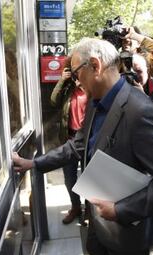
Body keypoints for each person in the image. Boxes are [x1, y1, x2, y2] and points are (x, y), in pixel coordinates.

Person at [13, 38, 153, 255]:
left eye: (76, 73)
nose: (75, 80)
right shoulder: (96, 102)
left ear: (95, 65)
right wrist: (33, 163)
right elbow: (77, 145)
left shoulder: (140, 112)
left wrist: (120, 211)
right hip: (99, 220)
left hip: (127, 232)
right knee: (95, 250)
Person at [50, 57, 88, 224]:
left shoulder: (93, 88)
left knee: (90, 178)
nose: (76, 74)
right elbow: (53, 101)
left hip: (88, 140)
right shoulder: (67, 89)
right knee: (69, 178)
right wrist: (62, 81)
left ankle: (91, 210)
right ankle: (75, 206)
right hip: (70, 139)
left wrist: (86, 87)